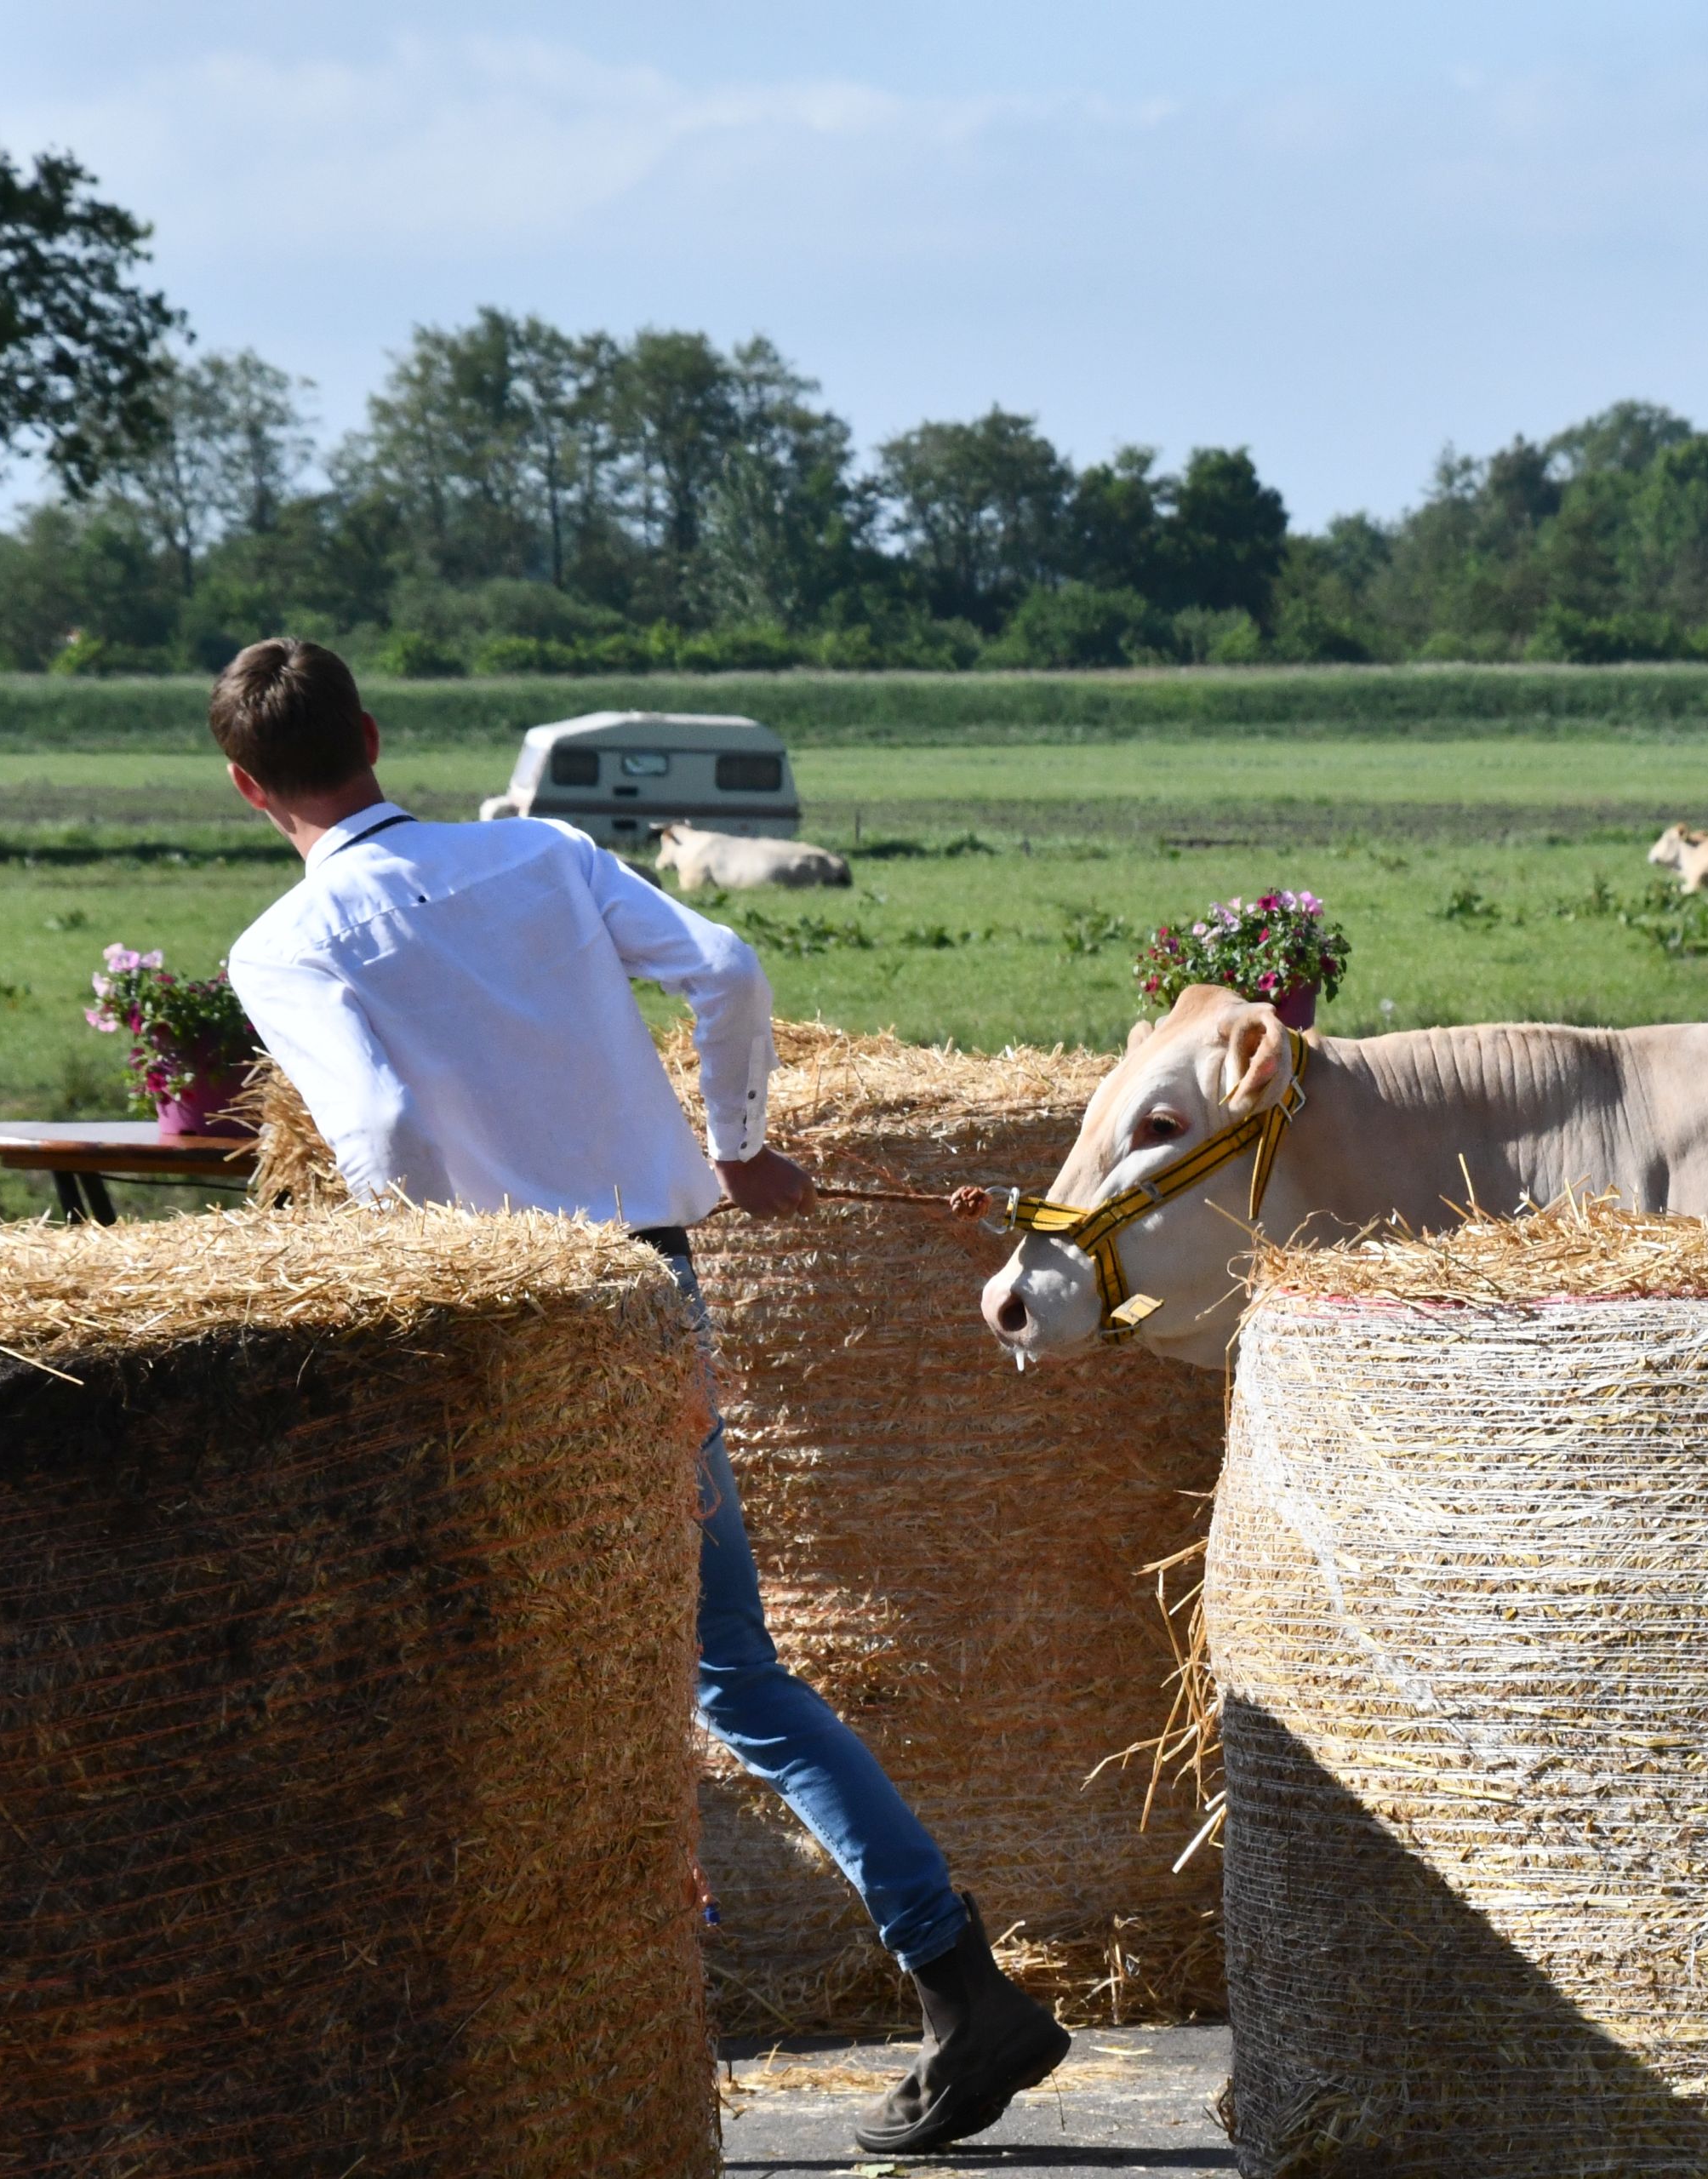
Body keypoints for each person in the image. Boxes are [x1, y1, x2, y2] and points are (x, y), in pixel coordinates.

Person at [209, 638, 1069, 2153]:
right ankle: (951, 1980)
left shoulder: (283, 947)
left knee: (543, 1668)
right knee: (729, 1669)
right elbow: (727, 967)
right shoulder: (540, 852)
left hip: (509, 1325)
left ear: (242, 785)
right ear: (375, 736)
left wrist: (432, 1299)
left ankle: (529, 2041)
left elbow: (391, 1127)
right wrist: (734, 1143)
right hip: (653, 1290)